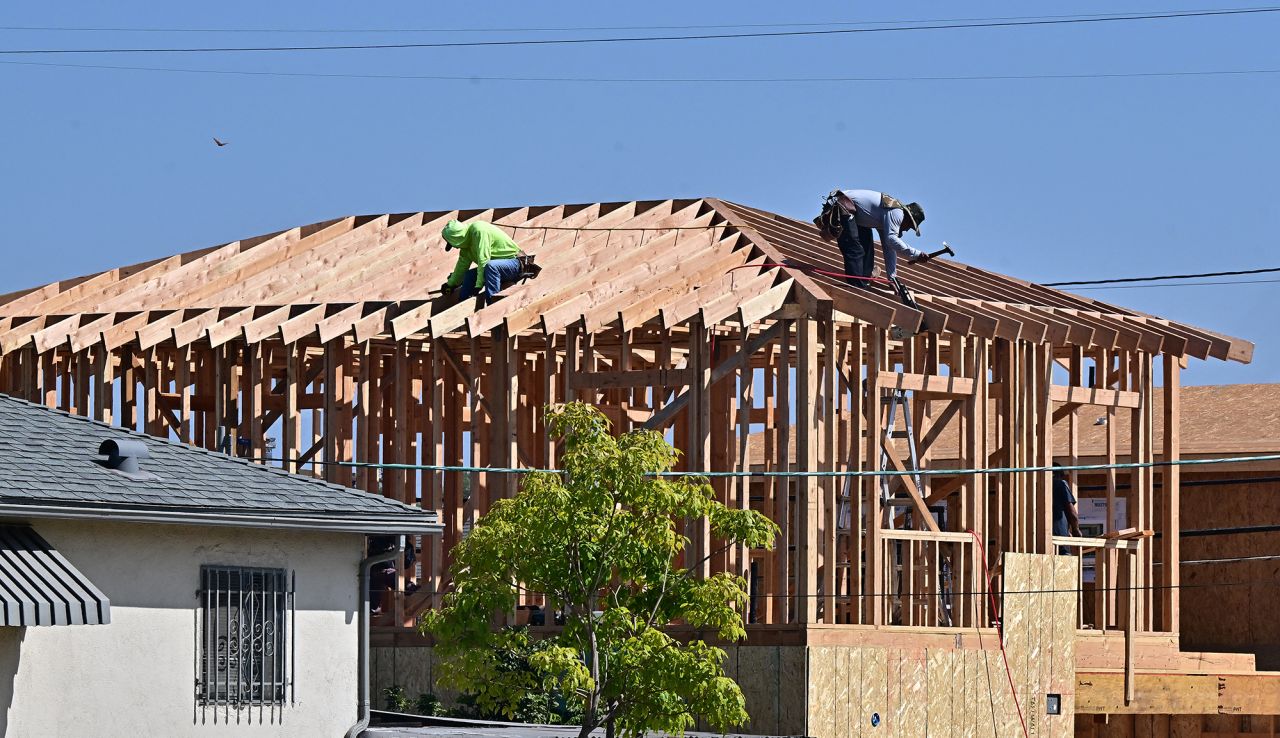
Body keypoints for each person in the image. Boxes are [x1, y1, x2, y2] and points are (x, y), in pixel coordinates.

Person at [824, 189, 927, 285]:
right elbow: (892, 240)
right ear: (908, 218)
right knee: (855, 250)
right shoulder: (897, 213)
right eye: (910, 226)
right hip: (842, 206)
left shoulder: (889, 216)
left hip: (854, 213)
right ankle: (856, 286)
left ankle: (864, 278)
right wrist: (916, 254)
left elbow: (889, 247)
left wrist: (892, 278)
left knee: (867, 249)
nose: (907, 230)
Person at [439, 219, 523, 306]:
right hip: (496, 270)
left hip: (515, 263)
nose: (455, 247)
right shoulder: (465, 248)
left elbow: (484, 260)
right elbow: (461, 268)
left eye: (453, 244)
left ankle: (492, 306)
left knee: (491, 266)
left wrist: (478, 285)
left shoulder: (478, 230)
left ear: (457, 238)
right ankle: (463, 306)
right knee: (469, 275)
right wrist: (450, 284)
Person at [1052, 464, 1083, 554]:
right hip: (1059, 540)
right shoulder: (1061, 484)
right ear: (1059, 475)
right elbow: (1071, 512)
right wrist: (1076, 530)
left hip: (1038, 543)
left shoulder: (1035, 487)